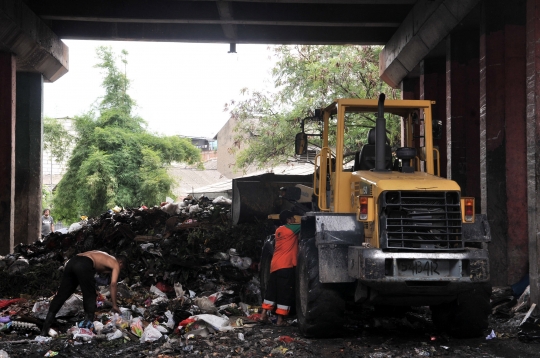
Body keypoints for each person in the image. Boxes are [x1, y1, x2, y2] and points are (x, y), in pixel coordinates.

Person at [41, 251, 126, 336]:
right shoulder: (115, 262)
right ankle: (87, 330)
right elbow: (113, 284)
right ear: (120, 262)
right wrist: (114, 305)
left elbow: (88, 278)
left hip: (72, 261)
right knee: (90, 296)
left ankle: (45, 329)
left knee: (62, 294)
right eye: (122, 268)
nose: (120, 270)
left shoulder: (103, 256)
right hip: (84, 263)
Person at [260, 210, 300, 326]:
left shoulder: (279, 230)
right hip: (286, 266)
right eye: (293, 218)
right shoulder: (291, 229)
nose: (295, 220)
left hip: (275, 265)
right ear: (288, 220)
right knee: (284, 293)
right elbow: (307, 226)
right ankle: (280, 320)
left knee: (271, 291)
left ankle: (263, 315)